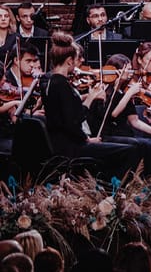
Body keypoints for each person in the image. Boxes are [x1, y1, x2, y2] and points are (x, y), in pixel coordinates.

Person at [41, 32, 140, 177]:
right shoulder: (62, 85)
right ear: (69, 61)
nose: (76, 65)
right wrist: (90, 100)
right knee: (129, 151)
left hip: (61, 142)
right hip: (71, 147)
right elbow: (72, 121)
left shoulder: (48, 81)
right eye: (75, 61)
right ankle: (114, 189)